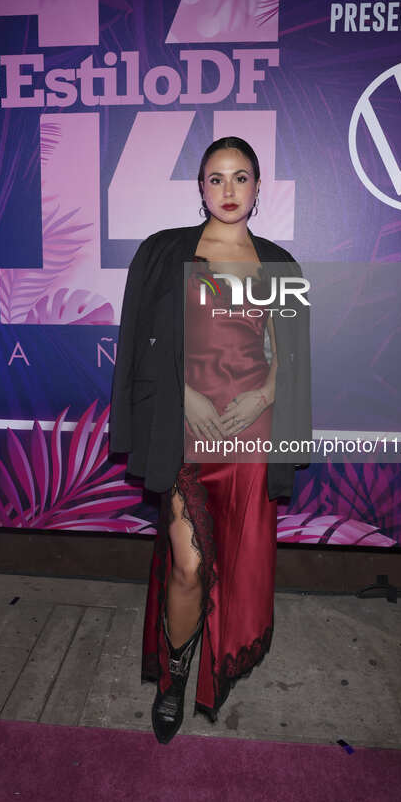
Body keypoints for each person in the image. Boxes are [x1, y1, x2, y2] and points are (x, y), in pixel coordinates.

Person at [109, 137, 311, 745]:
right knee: (188, 564)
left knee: (233, 563)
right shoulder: (163, 253)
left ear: (257, 188)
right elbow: (140, 341)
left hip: (249, 432)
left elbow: (292, 354)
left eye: (240, 177)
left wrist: (264, 395)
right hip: (187, 430)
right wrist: (180, 396)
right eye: (215, 178)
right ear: (200, 188)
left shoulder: (280, 264)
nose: (228, 190)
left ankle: (199, 667)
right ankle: (174, 680)